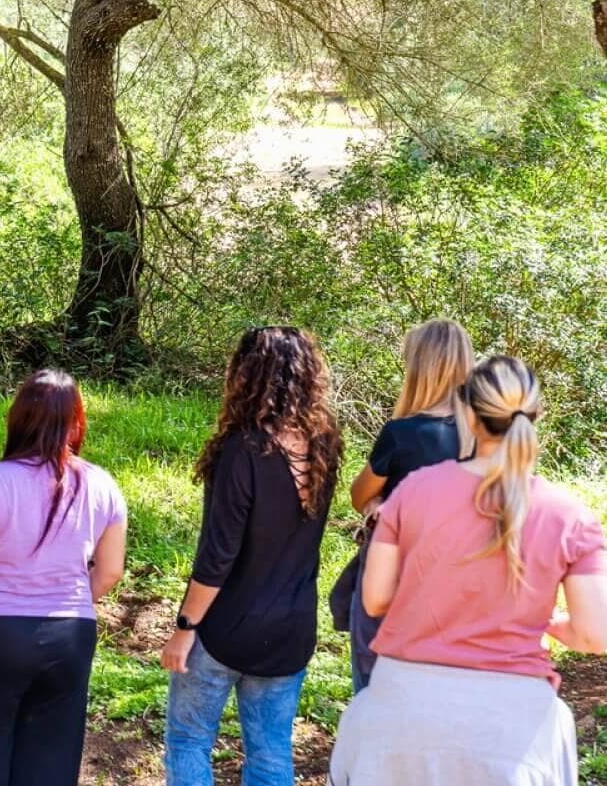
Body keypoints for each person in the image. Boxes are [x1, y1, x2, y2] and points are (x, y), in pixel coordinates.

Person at [329, 356, 607, 785]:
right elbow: (594, 634)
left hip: (401, 707)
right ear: (536, 417)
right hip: (517, 723)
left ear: (468, 415)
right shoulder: (570, 515)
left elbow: (375, 598)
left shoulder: (413, 491)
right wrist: (543, 621)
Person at [161, 326, 343, 786]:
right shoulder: (325, 447)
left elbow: (218, 556)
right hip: (291, 627)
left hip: (225, 628)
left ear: (245, 375)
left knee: (189, 741)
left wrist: (184, 629)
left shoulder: (242, 450)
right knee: (270, 753)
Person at [0, 369, 127, 786]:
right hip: (70, 637)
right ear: (76, 423)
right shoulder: (103, 485)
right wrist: (71, 600)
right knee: (50, 760)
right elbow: (110, 571)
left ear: (17, 419)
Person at [341, 319, 473, 692]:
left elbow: (358, 495)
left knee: (375, 677)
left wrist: (379, 501)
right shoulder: (486, 435)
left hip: (396, 568)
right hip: (465, 572)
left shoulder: (401, 434)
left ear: (419, 367)